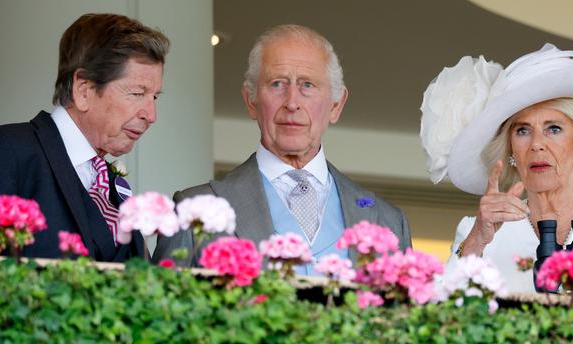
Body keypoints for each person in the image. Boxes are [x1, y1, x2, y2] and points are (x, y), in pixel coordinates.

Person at [153, 24, 411, 271]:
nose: (292, 102)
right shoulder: (193, 210)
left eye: (307, 85)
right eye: (277, 84)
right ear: (251, 100)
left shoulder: (388, 221)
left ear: (335, 105)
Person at [420, 43, 573, 300]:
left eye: (553, 128)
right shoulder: (476, 233)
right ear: (511, 151)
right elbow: (445, 317)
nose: (536, 144)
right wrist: (478, 239)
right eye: (522, 130)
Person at [0, 13, 170, 261]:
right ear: (83, 90)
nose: (151, 115)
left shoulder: (115, 185)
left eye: (155, 97)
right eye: (137, 93)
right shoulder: (6, 152)